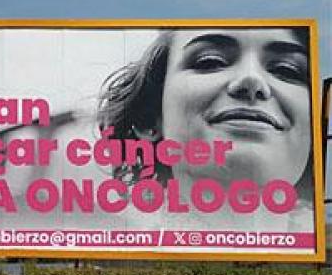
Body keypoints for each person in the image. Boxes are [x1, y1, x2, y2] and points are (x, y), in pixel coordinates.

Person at [98, 26, 314, 225]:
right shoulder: (123, 239)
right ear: (150, 116)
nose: (251, 79)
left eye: (287, 70)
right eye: (210, 62)